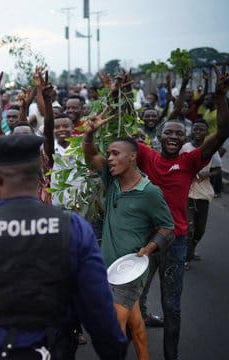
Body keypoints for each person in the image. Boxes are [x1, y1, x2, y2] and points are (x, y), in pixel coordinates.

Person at [0, 134, 128, 359]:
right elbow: (99, 310)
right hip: (53, 350)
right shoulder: (74, 228)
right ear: (40, 176)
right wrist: (114, 350)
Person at [136, 68, 229, 360]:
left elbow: (224, 132)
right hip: (144, 240)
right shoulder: (145, 155)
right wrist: (117, 94)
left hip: (174, 242)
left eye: (179, 133)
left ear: (186, 137)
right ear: (160, 137)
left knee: (172, 305)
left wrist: (222, 97)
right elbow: (116, 135)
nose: (173, 137)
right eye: (168, 133)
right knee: (134, 299)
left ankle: (170, 356)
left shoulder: (190, 161)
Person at [83, 113, 175, 358]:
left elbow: (167, 227)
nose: (110, 158)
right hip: (109, 268)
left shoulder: (150, 193)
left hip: (130, 271)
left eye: (115, 153)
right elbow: (91, 155)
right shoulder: (111, 182)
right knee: (136, 325)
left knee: (113, 331)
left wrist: (149, 248)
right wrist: (89, 133)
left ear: (133, 157)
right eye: (109, 154)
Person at [180, 120, 222, 269]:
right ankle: (187, 257)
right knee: (189, 228)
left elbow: (218, 169)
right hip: (188, 193)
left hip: (204, 193)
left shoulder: (211, 149)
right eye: (195, 129)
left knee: (200, 230)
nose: (197, 132)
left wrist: (206, 175)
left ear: (206, 132)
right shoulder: (185, 148)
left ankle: (191, 248)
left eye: (201, 129)